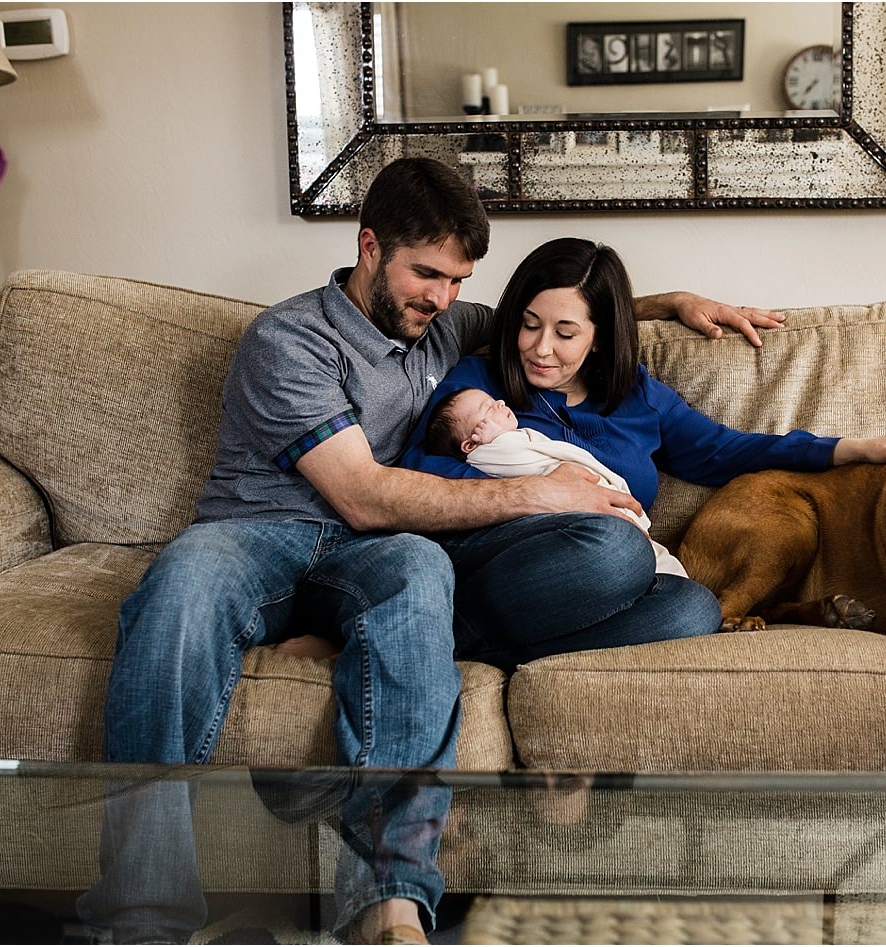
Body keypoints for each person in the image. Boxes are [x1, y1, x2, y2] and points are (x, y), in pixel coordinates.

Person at [81, 157, 790, 946]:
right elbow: (360, 494)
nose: (442, 297)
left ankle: (390, 903)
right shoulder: (291, 338)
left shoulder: (443, 323)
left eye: (457, 280)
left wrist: (670, 302)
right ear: (370, 247)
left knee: (427, 569)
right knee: (180, 581)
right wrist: (541, 491)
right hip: (258, 536)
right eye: (426, 274)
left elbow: (551, 313)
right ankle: (143, 917)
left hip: (378, 554)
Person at [397, 237, 886, 667]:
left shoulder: (639, 397)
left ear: (599, 338)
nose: (540, 348)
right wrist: (539, 492)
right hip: (503, 561)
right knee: (617, 549)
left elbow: (727, 450)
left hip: (588, 583)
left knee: (696, 609)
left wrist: (848, 449)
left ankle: (479, 647)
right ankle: (468, 625)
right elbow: (418, 469)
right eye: (529, 325)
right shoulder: (477, 386)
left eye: (565, 333)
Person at [421, 385, 686, 577]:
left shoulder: (521, 435)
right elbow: (517, 463)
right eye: (488, 409)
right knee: (641, 557)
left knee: (670, 569)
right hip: (587, 528)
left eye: (495, 400)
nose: (500, 403)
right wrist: (497, 439)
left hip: (609, 510)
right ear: (470, 443)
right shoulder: (488, 453)